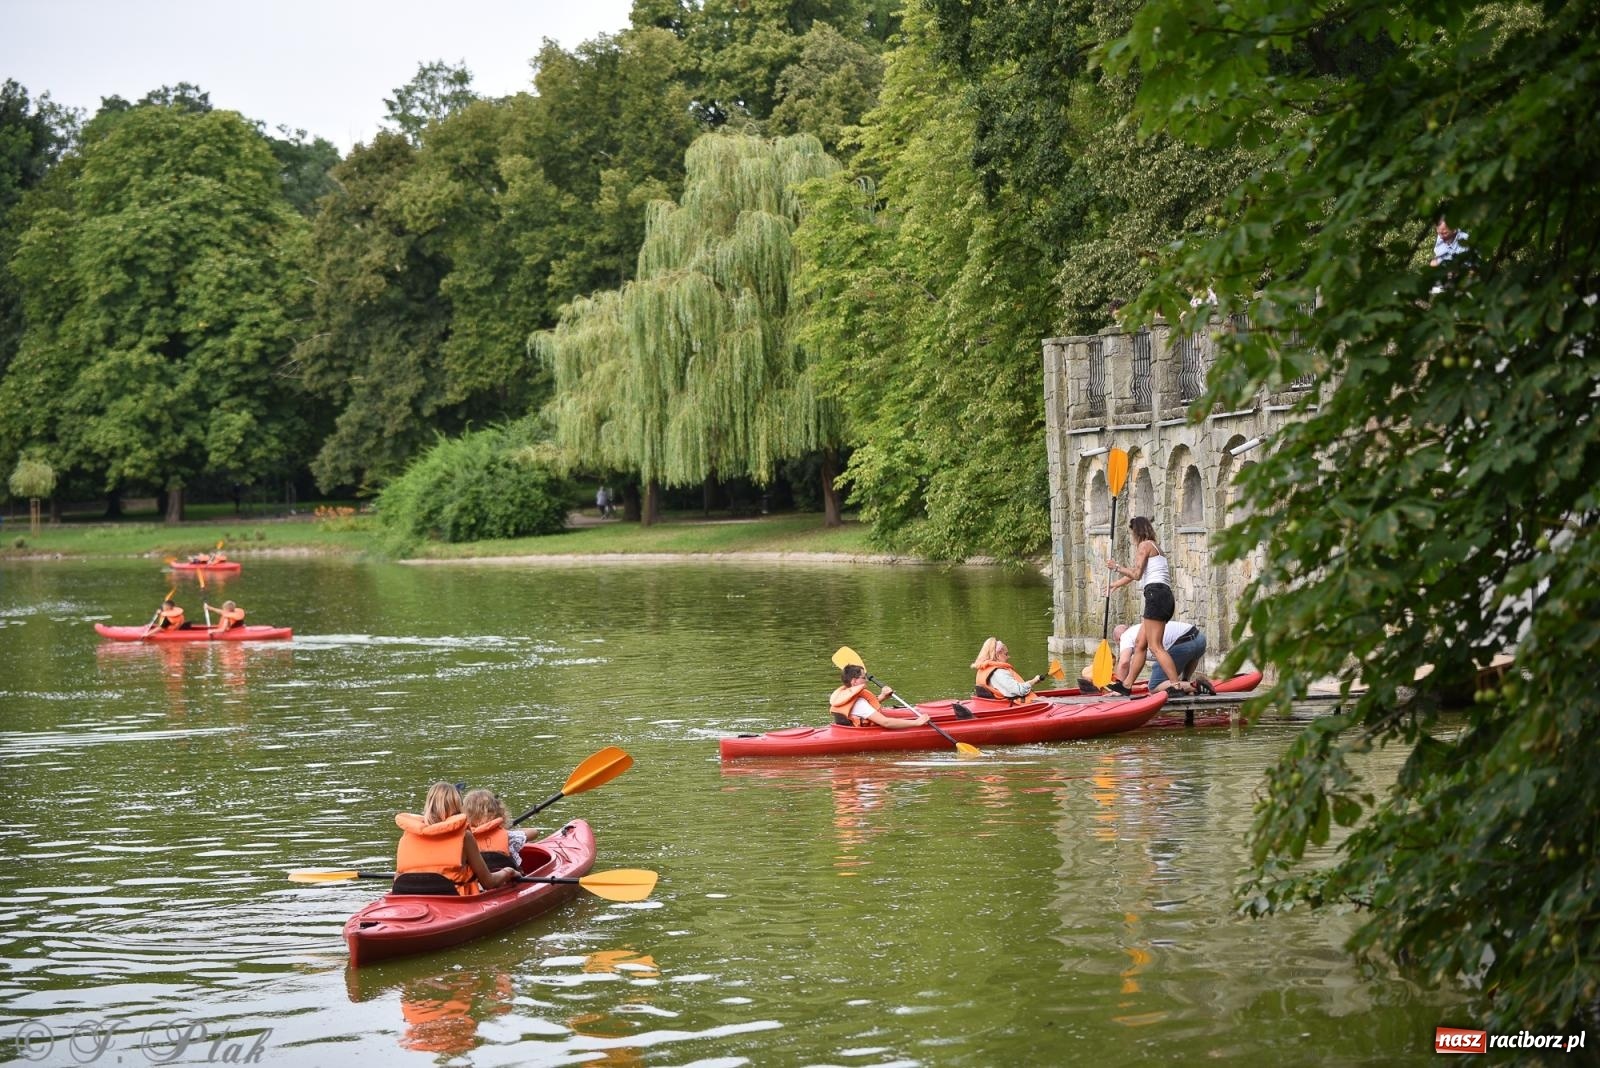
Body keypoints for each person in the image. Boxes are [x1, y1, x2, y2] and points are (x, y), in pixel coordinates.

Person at [1105, 515, 1185, 698]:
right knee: (1140, 644)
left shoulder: (1144, 545)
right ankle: (1126, 685)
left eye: (1132, 533)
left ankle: (1176, 686)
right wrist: (1116, 584)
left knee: (1156, 646)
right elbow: (1138, 573)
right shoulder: (1155, 547)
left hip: (1156, 596)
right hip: (1163, 596)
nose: (1132, 537)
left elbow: (1137, 574)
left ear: (1137, 531)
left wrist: (1116, 567)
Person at [393, 782, 518, 896]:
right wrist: (508, 872)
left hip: (408, 898)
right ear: (458, 806)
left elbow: (397, 880)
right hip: (452, 899)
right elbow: (488, 883)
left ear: (428, 805)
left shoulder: (408, 835)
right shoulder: (465, 836)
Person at [1116, 621, 1213, 695]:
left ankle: (1195, 686)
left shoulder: (1125, 636)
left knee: (1154, 686)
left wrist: (1119, 688)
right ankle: (1186, 682)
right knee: (1190, 653)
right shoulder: (1136, 630)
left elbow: (1124, 662)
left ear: (1118, 639)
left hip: (1183, 644)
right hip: (1200, 639)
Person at [829, 663, 929, 729]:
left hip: (847, 730)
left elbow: (861, 709)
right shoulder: (859, 703)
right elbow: (886, 723)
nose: (866, 680)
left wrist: (882, 696)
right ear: (854, 681)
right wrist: (916, 722)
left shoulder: (845, 695)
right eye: (863, 678)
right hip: (859, 735)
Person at [462, 788, 526, 874]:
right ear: (497, 813)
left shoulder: (463, 839)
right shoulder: (509, 835)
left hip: (478, 879)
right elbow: (534, 832)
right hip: (507, 878)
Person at [970, 637, 1040, 702]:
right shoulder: (999, 672)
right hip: (1011, 705)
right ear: (998, 655)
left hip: (990, 704)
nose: (1008, 657)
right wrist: (1033, 681)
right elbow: (1019, 690)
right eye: (1006, 654)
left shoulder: (983, 669)